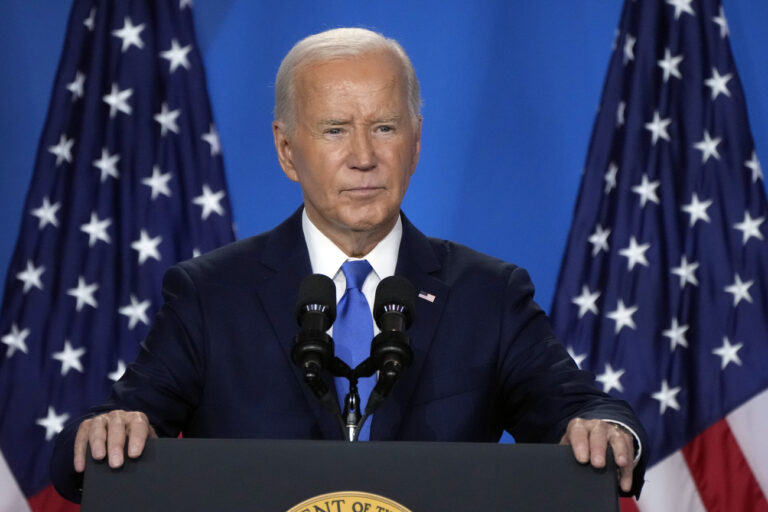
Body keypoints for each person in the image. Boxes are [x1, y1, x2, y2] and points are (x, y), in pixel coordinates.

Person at [51, 27, 648, 502]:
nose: (364, 157)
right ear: (287, 150)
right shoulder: (212, 293)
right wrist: (107, 432)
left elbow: (585, 411)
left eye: (384, 127)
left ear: (416, 142)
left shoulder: (487, 294)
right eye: (335, 130)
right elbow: (113, 427)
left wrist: (605, 430)